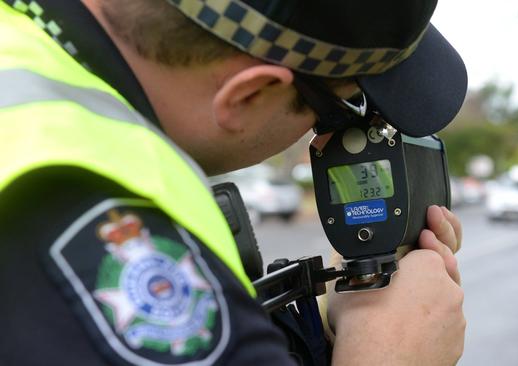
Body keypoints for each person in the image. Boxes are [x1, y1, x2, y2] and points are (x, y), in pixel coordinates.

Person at [0, 0, 467, 365]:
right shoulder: (82, 215)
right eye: (340, 107)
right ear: (249, 94)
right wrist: (392, 358)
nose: (331, 134)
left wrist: (317, 334)